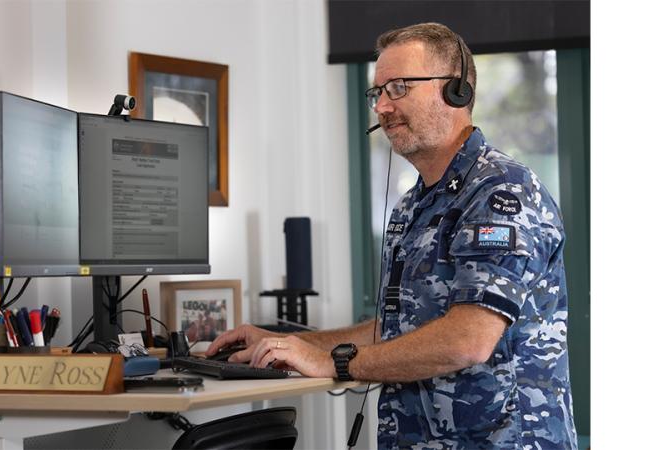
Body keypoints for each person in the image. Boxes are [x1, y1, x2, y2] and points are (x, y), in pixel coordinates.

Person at [207, 22, 577, 449]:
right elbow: (398, 328)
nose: (381, 107)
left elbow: (467, 340)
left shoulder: (501, 193)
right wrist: (292, 345)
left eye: (398, 88)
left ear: (456, 91)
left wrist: (334, 363)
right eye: (376, 93)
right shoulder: (412, 205)